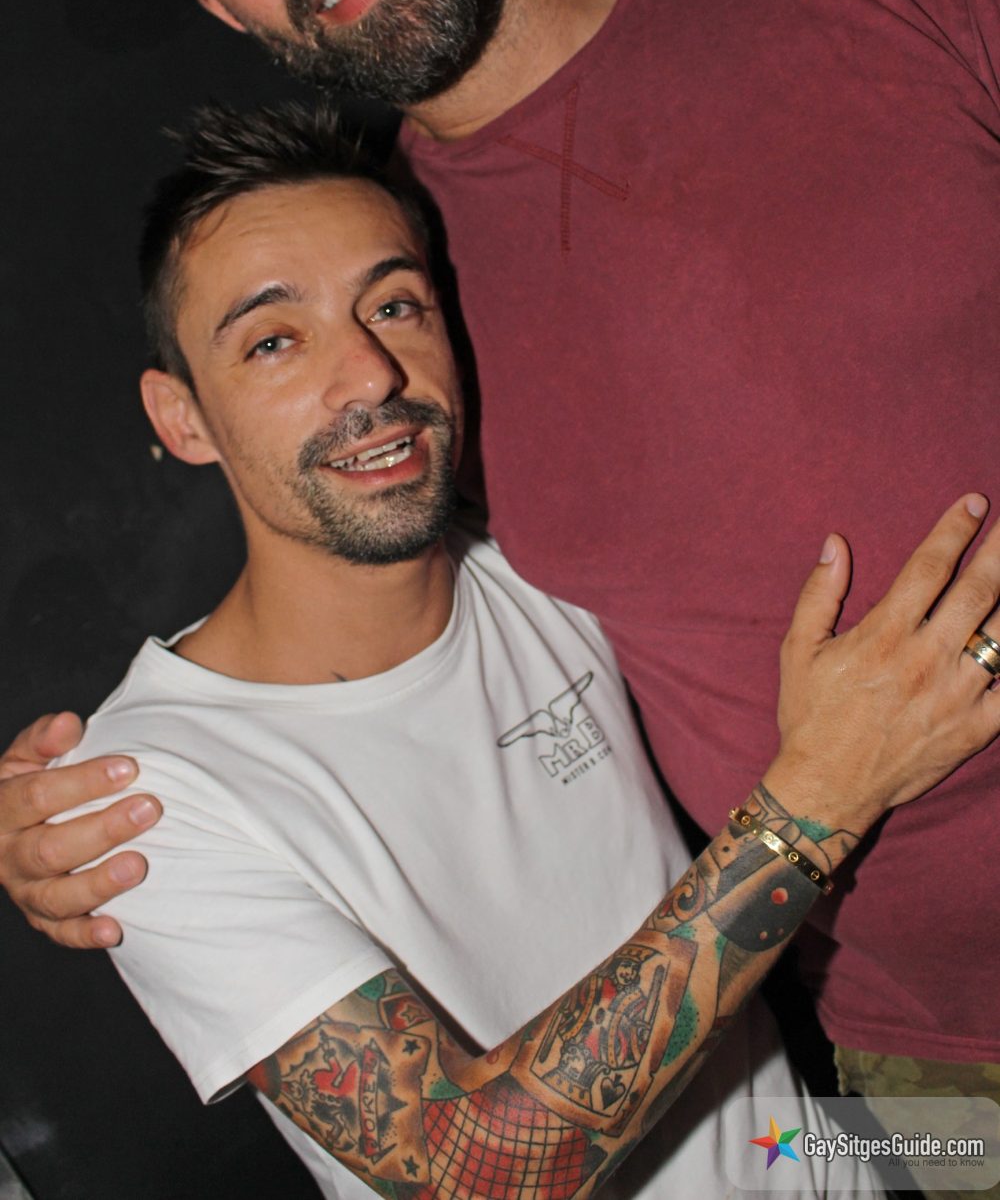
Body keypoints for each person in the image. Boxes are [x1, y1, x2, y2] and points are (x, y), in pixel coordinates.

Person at [4, 0, 1000, 1104]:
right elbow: (364, 658)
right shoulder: (394, 304)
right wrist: (98, 817)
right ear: (224, 9)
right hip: (937, 1077)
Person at [50, 100, 1000, 1200]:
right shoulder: (144, 799)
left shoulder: (538, 563)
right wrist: (821, 800)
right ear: (182, 418)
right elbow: (477, 1177)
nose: (369, 374)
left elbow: (754, 1135)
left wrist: (945, 1146)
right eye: (274, 340)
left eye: (393, 306)